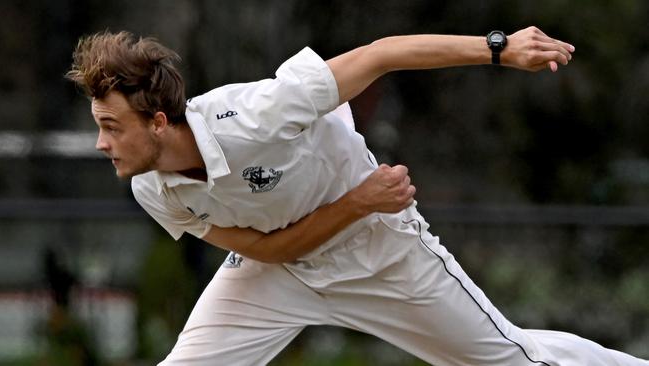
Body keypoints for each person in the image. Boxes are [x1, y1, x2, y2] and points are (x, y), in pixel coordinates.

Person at [66, 26, 648, 365]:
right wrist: (357, 200)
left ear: (160, 121)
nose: (101, 143)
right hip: (280, 266)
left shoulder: (252, 116)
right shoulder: (151, 187)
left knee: (510, 358)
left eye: (112, 126)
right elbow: (268, 252)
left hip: (380, 249)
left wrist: (498, 48)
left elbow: (381, 54)